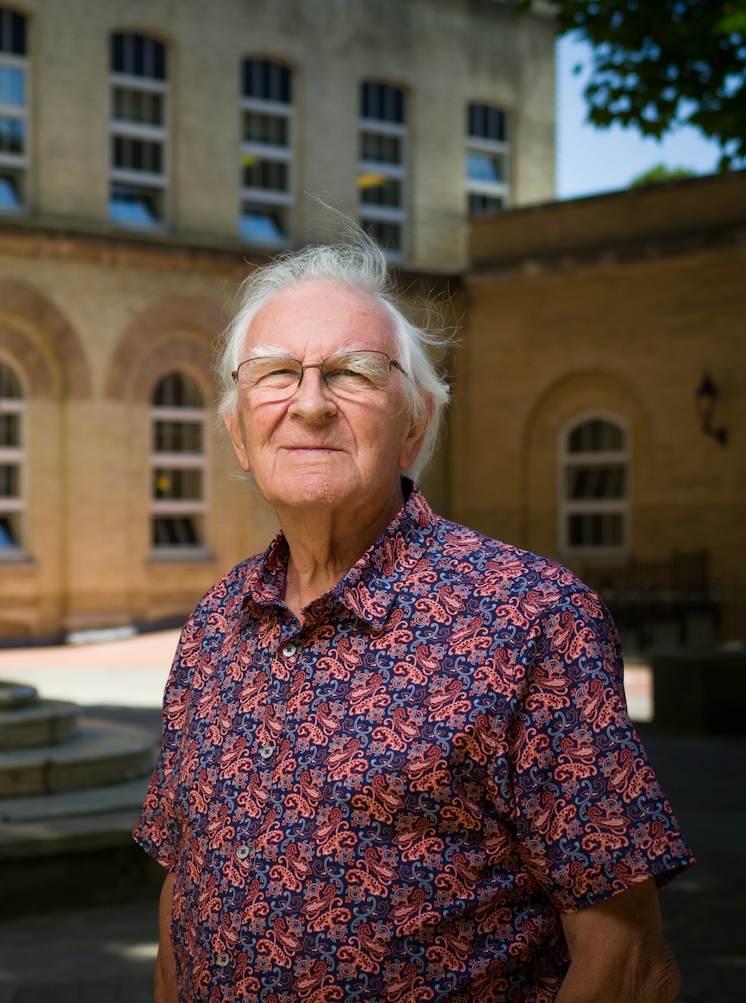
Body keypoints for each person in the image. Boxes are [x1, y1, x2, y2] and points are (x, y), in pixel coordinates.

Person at [135, 234, 693, 1002]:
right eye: (275, 375)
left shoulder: (530, 618)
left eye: (351, 373)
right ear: (238, 432)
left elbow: (627, 960)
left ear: (415, 425)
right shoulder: (211, 628)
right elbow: (181, 902)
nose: (309, 402)